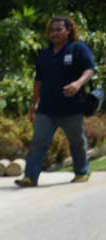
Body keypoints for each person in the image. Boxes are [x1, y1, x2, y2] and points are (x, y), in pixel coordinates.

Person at [16, 16, 97, 187]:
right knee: (38, 142)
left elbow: (90, 69)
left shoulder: (78, 48)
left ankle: (81, 172)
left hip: (71, 107)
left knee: (76, 141)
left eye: (59, 29)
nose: (54, 33)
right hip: (46, 109)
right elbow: (38, 81)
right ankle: (30, 177)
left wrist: (77, 83)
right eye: (52, 30)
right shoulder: (44, 55)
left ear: (68, 30)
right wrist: (33, 104)